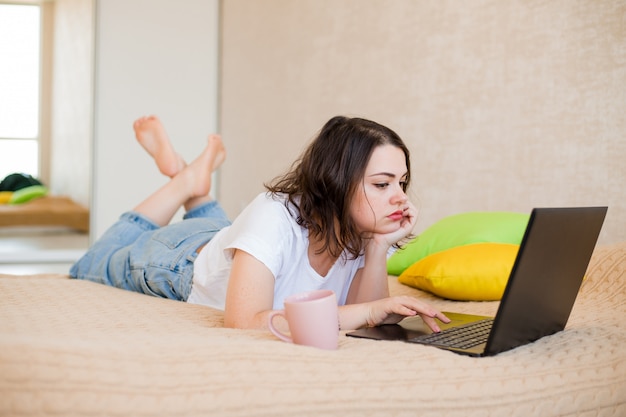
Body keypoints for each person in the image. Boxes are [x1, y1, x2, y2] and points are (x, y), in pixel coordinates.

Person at [70, 115, 450, 332]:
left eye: (401, 183)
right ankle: (184, 182)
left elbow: (368, 320)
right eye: (382, 184)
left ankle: (193, 182)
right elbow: (243, 321)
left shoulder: (356, 228)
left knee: (226, 230)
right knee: (90, 264)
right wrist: (364, 313)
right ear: (336, 181)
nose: (400, 196)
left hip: (229, 242)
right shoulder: (273, 213)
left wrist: (378, 246)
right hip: (180, 259)